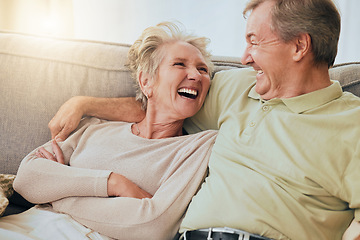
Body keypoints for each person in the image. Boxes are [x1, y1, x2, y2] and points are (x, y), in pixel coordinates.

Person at [47, 0, 360, 240]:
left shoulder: (352, 124)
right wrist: (84, 103)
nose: (244, 57)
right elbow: (163, 103)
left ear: (299, 46)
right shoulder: (236, 87)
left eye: (255, 41)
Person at [0, 22, 218, 240]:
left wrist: (56, 194)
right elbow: (27, 178)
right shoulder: (95, 127)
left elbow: (153, 226)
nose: (196, 76)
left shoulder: (198, 147)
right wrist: (113, 183)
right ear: (146, 81)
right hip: (21, 227)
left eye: (203, 69)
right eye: (180, 64)